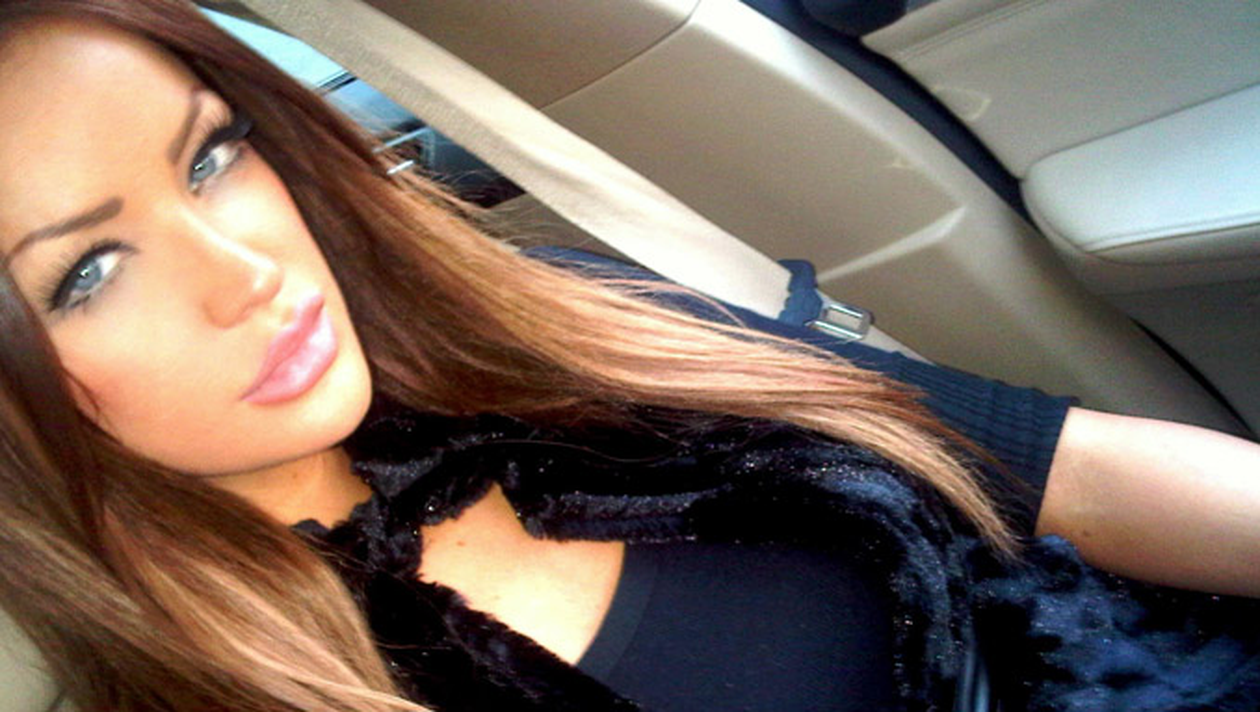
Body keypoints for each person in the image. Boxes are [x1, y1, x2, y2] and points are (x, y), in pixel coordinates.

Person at [0, 2, 1258, 711]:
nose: (247, 274)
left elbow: (1056, 470)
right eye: (85, 275)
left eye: (211, 157)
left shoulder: (538, 315)